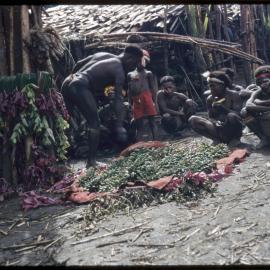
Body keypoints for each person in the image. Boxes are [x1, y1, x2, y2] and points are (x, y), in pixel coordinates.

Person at [61, 45, 143, 167]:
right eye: (135, 64)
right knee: (94, 124)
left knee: (66, 121)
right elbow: (118, 99)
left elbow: (78, 63)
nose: (134, 67)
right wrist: (119, 125)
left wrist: (73, 78)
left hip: (67, 82)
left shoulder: (103, 55)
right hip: (80, 85)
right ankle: (91, 162)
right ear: (129, 58)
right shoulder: (119, 70)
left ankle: (62, 159)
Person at [189, 71, 243, 146]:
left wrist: (223, 108)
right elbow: (210, 117)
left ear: (223, 85)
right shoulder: (210, 99)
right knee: (193, 119)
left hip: (231, 128)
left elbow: (238, 115)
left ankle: (235, 139)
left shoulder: (233, 95)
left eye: (213, 86)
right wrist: (215, 122)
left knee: (231, 116)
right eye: (210, 86)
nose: (211, 89)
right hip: (218, 129)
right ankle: (216, 139)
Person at [127, 50, 158, 141]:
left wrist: (154, 102)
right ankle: (139, 143)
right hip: (136, 100)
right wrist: (129, 102)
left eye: (142, 61)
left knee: (152, 121)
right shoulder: (130, 74)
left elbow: (153, 89)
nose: (140, 63)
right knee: (138, 123)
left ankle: (155, 141)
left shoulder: (148, 73)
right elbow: (129, 90)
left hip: (147, 97)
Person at [240, 65, 270, 149]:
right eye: (259, 82)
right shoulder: (258, 91)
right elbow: (248, 105)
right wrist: (266, 107)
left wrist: (259, 103)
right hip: (265, 117)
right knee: (244, 112)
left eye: (265, 81)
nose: (262, 84)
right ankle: (264, 138)